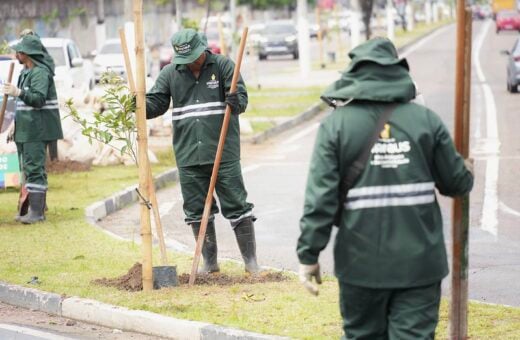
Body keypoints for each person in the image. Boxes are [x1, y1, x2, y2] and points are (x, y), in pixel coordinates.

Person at [296, 37, 474, 339]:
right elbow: (457, 183)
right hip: (419, 267)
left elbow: (320, 200)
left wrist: (309, 255)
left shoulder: (335, 126)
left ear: (354, 73)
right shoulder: (425, 121)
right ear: (398, 72)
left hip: (359, 266)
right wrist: (466, 167)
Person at [145, 29, 260, 273]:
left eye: (194, 57)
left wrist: (235, 100)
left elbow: (241, 102)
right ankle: (210, 263)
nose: (190, 63)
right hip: (188, 155)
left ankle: (251, 263)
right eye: (184, 59)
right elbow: (155, 104)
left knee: (237, 204)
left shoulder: (224, 66)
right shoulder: (170, 73)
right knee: (196, 209)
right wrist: (136, 105)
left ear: (203, 49)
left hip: (223, 151)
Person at [1, 34, 63, 224]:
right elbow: (22, 106)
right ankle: (30, 210)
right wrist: (14, 126)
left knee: (35, 168)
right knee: (27, 168)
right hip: (26, 129)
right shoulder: (25, 72)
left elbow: (37, 100)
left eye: (19, 51)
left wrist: (18, 92)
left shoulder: (40, 73)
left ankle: (37, 212)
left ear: (27, 54)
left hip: (38, 129)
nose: (16, 54)